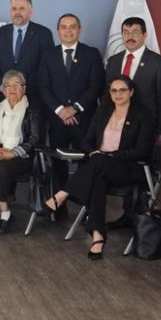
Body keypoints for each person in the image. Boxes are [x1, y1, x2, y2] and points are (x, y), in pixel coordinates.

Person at [42, 75, 154, 260]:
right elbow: (86, 142)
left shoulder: (142, 115)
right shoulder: (103, 112)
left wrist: (109, 155)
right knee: (97, 181)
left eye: (122, 90)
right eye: (113, 90)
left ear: (132, 92)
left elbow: (141, 151)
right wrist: (94, 152)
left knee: (98, 162)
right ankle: (98, 237)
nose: (118, 94)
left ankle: (62, 194)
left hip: (129, 168)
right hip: (100, 168)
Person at [39, 13, 105, 193]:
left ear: (79, 30)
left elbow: (96, 86)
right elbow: (43, 87)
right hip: (57, 120)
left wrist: (74, 109)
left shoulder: (92, 54)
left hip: (84, 120)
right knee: (57, 163)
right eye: (64, 27)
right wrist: (61, 110)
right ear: (58, 31)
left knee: (87, 162)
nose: (68, 31)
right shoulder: (48, 55)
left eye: (72, 27)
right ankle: (59, 203)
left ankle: (84, 203)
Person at [0, 70, 43, 235]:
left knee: (2, 169)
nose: (12, 89)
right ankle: (5, 213)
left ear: (24, 88)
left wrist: (12, 153)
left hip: (22, 158)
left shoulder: (32, 111)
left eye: (16, 85)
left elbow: (34, 139)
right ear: (3, 89)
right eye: (8, 85)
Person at [0, 0, 54, 105]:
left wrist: (23, 88)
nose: (17, 12)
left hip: (33, 99)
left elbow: (47, 67)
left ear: (31, 11)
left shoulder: (43, 34)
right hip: (4, 98)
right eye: (14, 9)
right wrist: (2, 86)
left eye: (22, 8)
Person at [104, 17, 161, 121]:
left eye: (135, 33)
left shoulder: (158, 62)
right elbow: (106, 93)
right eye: (126, 32)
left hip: (146, 122)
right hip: (115, 121)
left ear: (144, 35)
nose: (130, 37)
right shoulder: (113, 61)